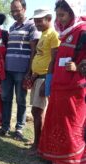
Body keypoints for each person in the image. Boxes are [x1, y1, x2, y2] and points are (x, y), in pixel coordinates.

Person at [38, 0, 86, 164]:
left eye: (63, 15)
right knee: (56, 121)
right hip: (60, 86)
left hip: (74, 88)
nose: (60, 19)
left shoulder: (83, 31)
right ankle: (54, 155)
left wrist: (78, 67)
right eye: (58, 15)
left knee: (70, 124)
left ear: (72, 13)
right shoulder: (64, 33)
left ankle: (68, 160)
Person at [0, 0, 41, 141]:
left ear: (24, 8)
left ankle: (19, 129)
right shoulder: (12, 27)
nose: (15, 13)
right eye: (12, 11)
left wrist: (29, 70)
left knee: (21, 100)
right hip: (8, 70)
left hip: (22, 71)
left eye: (17, 10)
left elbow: (34, 50)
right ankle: (5, 127)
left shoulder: (32, 25)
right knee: (5, 98)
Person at [27, 8, 60, 154]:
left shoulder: (53, 34)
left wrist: (48, 80)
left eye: (39, 20)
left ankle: (37, 145)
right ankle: (38, 141)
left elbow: (54, 59)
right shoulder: (43, 35)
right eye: (35, 21)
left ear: (49, 18)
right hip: (37, 77)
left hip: (44, 78)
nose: (37, 23)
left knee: (38, 111)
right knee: (36, 112)